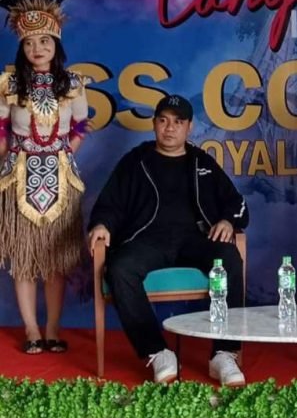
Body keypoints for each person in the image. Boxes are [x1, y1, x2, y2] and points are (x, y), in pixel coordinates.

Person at [87, 94, 249, 386]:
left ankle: (224, 353)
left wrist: (227, 220)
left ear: (189, 127)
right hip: (148, 240)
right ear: (154, 124)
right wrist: (101, 224)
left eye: (177, 122)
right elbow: (110, 204)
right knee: (120, 268)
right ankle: (157, 352)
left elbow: (236, 204)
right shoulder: (136, 161)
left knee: (229, 258)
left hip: (195, 239)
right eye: (163, 120)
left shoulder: (201, 162)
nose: (169, 128)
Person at [0, 0, 90, 355]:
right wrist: (8, 162)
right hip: (19, 177)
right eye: (30, 42)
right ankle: (32, 330)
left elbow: (80, 125)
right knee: (24, 259)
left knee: (55, 261)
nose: (38, 48)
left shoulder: (72, 84)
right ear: (23, 47)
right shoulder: (8, 84)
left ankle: (53, 328)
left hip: (61, 178)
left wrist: (63, 153)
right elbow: (2, 130)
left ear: (56, 45)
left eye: (45, 41)